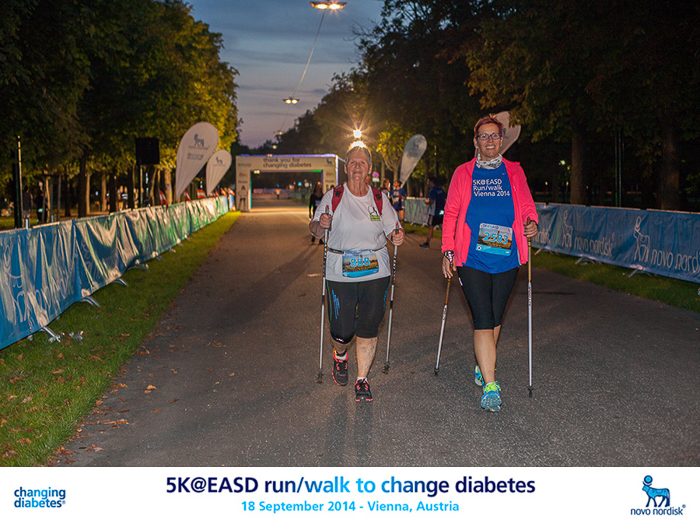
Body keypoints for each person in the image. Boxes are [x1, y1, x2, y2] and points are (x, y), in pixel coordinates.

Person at [441, 115, 538, 413]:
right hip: (471, 256)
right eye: (483, 136)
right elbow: (451, 212)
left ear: (501, 139)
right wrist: (447, 250)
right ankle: (491, 385)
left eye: (494, 135)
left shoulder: (514, 171)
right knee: (482, 317)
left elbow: (527, 206)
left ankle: (483, 363)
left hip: (507, 255)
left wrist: (532, 222)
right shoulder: (463, 173)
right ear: (476, 141)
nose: (490, 140)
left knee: (495, 317)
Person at [309, 144, 405, 402]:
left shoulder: (379, 198)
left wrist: (397, 235)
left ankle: (362, 379)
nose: (358, 167)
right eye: (353, 162)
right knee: (342, 331)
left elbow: (393, 229)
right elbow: (315, 229)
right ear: (346, 167)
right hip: (340, 271)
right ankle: (340, 355)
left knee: (369, 325)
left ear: (369, 168)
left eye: (362, 163)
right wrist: (321, 224)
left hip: (376, 270)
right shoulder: (334, 196)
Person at [420, 177, 446, 249]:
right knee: (442, 227)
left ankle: (427, 243)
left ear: (432, 182)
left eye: (428, 182)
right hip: (441, 211)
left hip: (434, 212)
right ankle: (450, 242)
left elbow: (432, 201)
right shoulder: (440, 190)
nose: (428, 183)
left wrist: (427, 202)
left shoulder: (432, 190)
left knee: (431, 227)